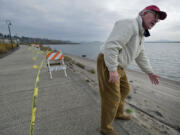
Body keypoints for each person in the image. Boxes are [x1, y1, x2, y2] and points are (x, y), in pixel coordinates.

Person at [97, 5, 167, 135]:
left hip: (120, 65)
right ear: (144, 13)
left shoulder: (140, 34)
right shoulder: (130, 24)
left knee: (125, 90)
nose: (156, 20)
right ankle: (105, 128)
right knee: (112, 97)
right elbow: (112, 45)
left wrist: (149, 72)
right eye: (155, 16)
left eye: (158, 19)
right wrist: (112, 69)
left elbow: (141, 55)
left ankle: (118, 113)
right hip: (109, 62)